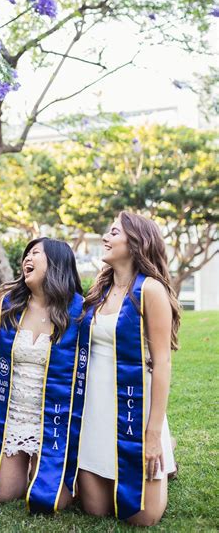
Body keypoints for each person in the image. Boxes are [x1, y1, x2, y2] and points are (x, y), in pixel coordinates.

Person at [77, 211, 180, 526]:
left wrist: (152, 434)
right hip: (95, 412)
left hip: (133, 407)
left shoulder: (151, 291)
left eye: (113, 232)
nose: (105, 238)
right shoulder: (98, 292)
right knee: (95, 508)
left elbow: (162, 363)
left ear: (136, 242)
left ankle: (164, 446)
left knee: (143, 517)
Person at [0, 237, 86, 514]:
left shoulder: (80, 311)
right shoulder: (10, 304)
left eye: (35, 253)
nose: (27, 258)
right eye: (26, 253)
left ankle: (39, 464)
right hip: (14, 414)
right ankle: (25, 463)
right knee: (2, 495)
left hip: (54, 419)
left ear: (57, 263)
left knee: (53, 501)